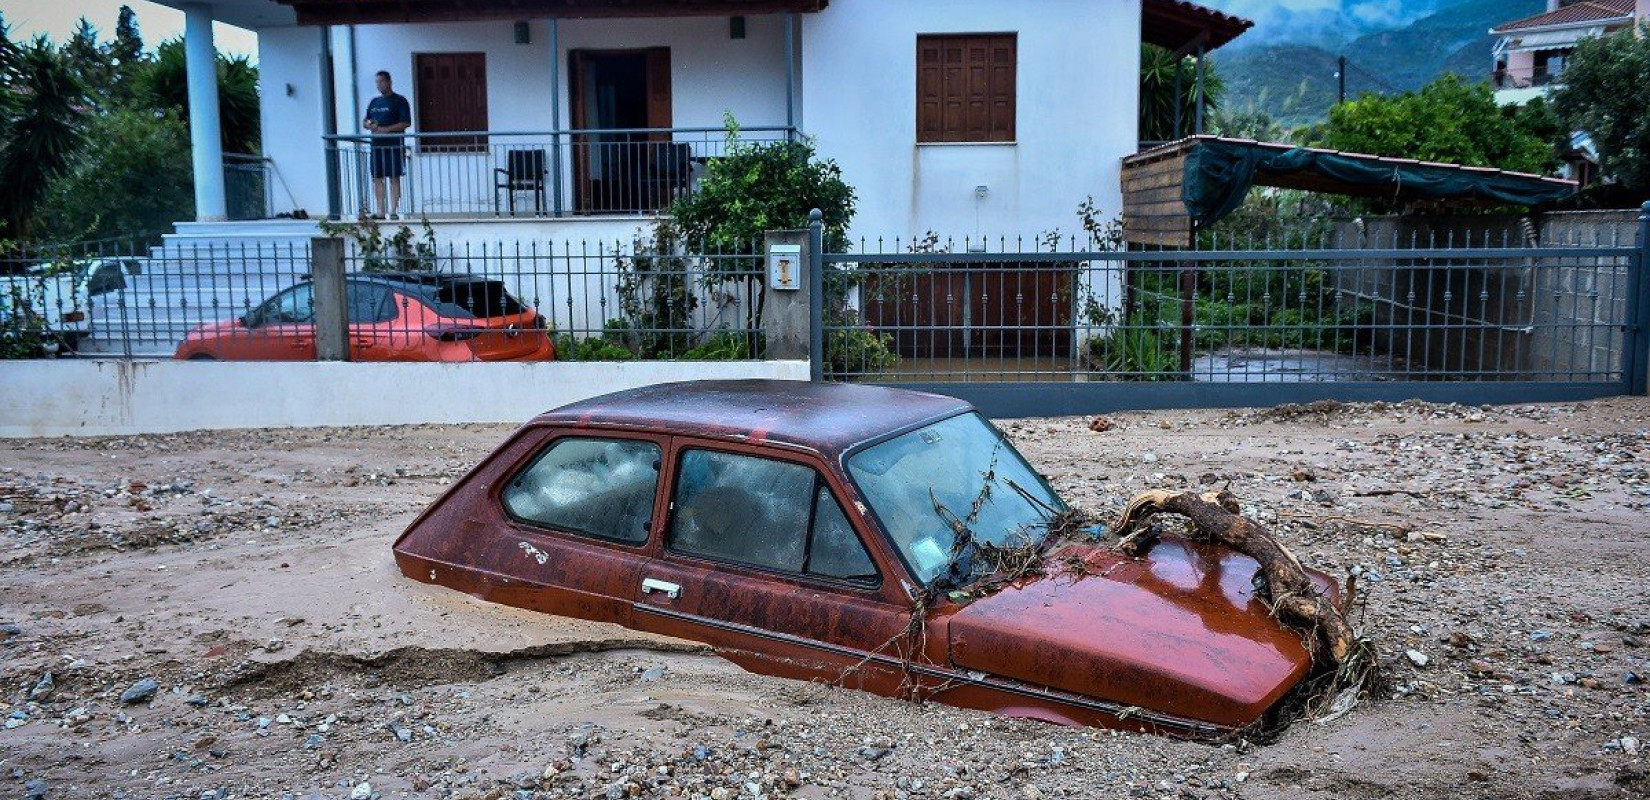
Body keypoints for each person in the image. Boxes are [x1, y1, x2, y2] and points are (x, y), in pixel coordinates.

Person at [363, 70, 412, 219]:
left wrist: (386, 130)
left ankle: (393, 210)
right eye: (377, 82)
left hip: (393, 146)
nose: (379, 85)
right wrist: (369, 125)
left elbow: (405, 122)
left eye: (381, 82)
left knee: (394, 177)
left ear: (389, 81)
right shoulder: (374, 102)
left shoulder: (399, 101)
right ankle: (380, 211)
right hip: (376, 146)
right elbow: (366, 121)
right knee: (377, 177)